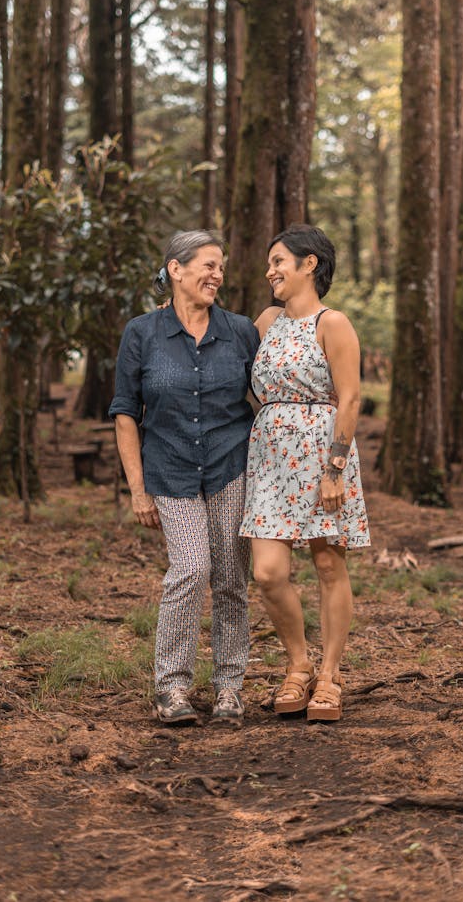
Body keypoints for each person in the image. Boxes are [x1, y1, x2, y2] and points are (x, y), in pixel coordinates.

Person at [109, 230, 260, 726]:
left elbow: (264, 397)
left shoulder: (240, 331)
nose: (217, 274)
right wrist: (137, 489)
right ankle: (171, 687)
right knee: (192, 569)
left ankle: (230, 688)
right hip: (169, 470)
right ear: (176, 269)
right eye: (208, 265)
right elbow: (127, 412)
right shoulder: (142, 333)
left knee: (233, 579)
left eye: (221, 267)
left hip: (230, 466)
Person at [239, 223, 370, 722]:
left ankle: (330, 676)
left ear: (308, 264)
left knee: (329, 566)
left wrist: (334, 469)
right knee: (268, 572)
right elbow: (226, 351)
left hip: (321, 457)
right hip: (269, 456)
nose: (270, 271)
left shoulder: (332, 323)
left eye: (278, 262)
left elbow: (351, 396)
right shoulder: (266, 320)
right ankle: (298, 664)